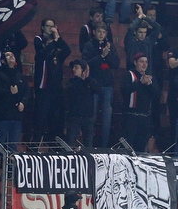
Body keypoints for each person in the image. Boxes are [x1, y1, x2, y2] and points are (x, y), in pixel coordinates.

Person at [33, 17, 72, 145]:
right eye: (48, 26)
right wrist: (54, 42)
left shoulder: (57, 49)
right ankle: (35, 144)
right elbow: (41, 53)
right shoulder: (38, 40)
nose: (50, 28)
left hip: (55, 87)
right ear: (43, 27)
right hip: (43, 86)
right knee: (40, 117)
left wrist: (58, 38)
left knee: (56, 117)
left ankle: (54, 144)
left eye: (52, 26)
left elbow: (67, 50)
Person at [81, 23, 119, 148]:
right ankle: (89, 146)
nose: (101, 34)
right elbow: (86, 65)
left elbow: (116, 64)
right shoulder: (89, 45)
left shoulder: (110, 46)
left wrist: (107, 55)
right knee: (91, 117)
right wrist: (101, 56)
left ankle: (104, 146)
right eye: (99, 32)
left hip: (108, 85)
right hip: (93, 85)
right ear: (94, 32)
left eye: (104, 32)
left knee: (107, 119)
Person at [0, 49, 26, 152]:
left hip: (16, 117)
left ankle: (9, 168)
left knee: (12, 147)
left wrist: (23, 102)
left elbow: (26, 92)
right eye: (8, 55)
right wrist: (9, 93)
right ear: (3, 60)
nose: (11, 57)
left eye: (12, 55)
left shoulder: (19, 76)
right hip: (2, 116)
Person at [121, 52, 159, 152]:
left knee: (141, 148)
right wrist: (139, 82)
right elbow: (124, 90)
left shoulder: (150, 78)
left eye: (146, 62)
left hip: (145, 117)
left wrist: (150, 85)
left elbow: (157, 95)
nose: (144, 64)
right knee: (127, 147)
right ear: (135, 62)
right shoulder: (129, 75)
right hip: (130, 116)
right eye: (141, 62)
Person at [65, 59, 99, 149]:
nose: (73, 69)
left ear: (83, 69)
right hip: (74, 116)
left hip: (88, 117)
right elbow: (69, 91)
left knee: (88, 144)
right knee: (70, 143)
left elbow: (98, 90)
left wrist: (87, 79)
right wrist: (81, 80)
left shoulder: (90, 81)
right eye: (73, 67)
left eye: (76, 67)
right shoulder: (71, 82)